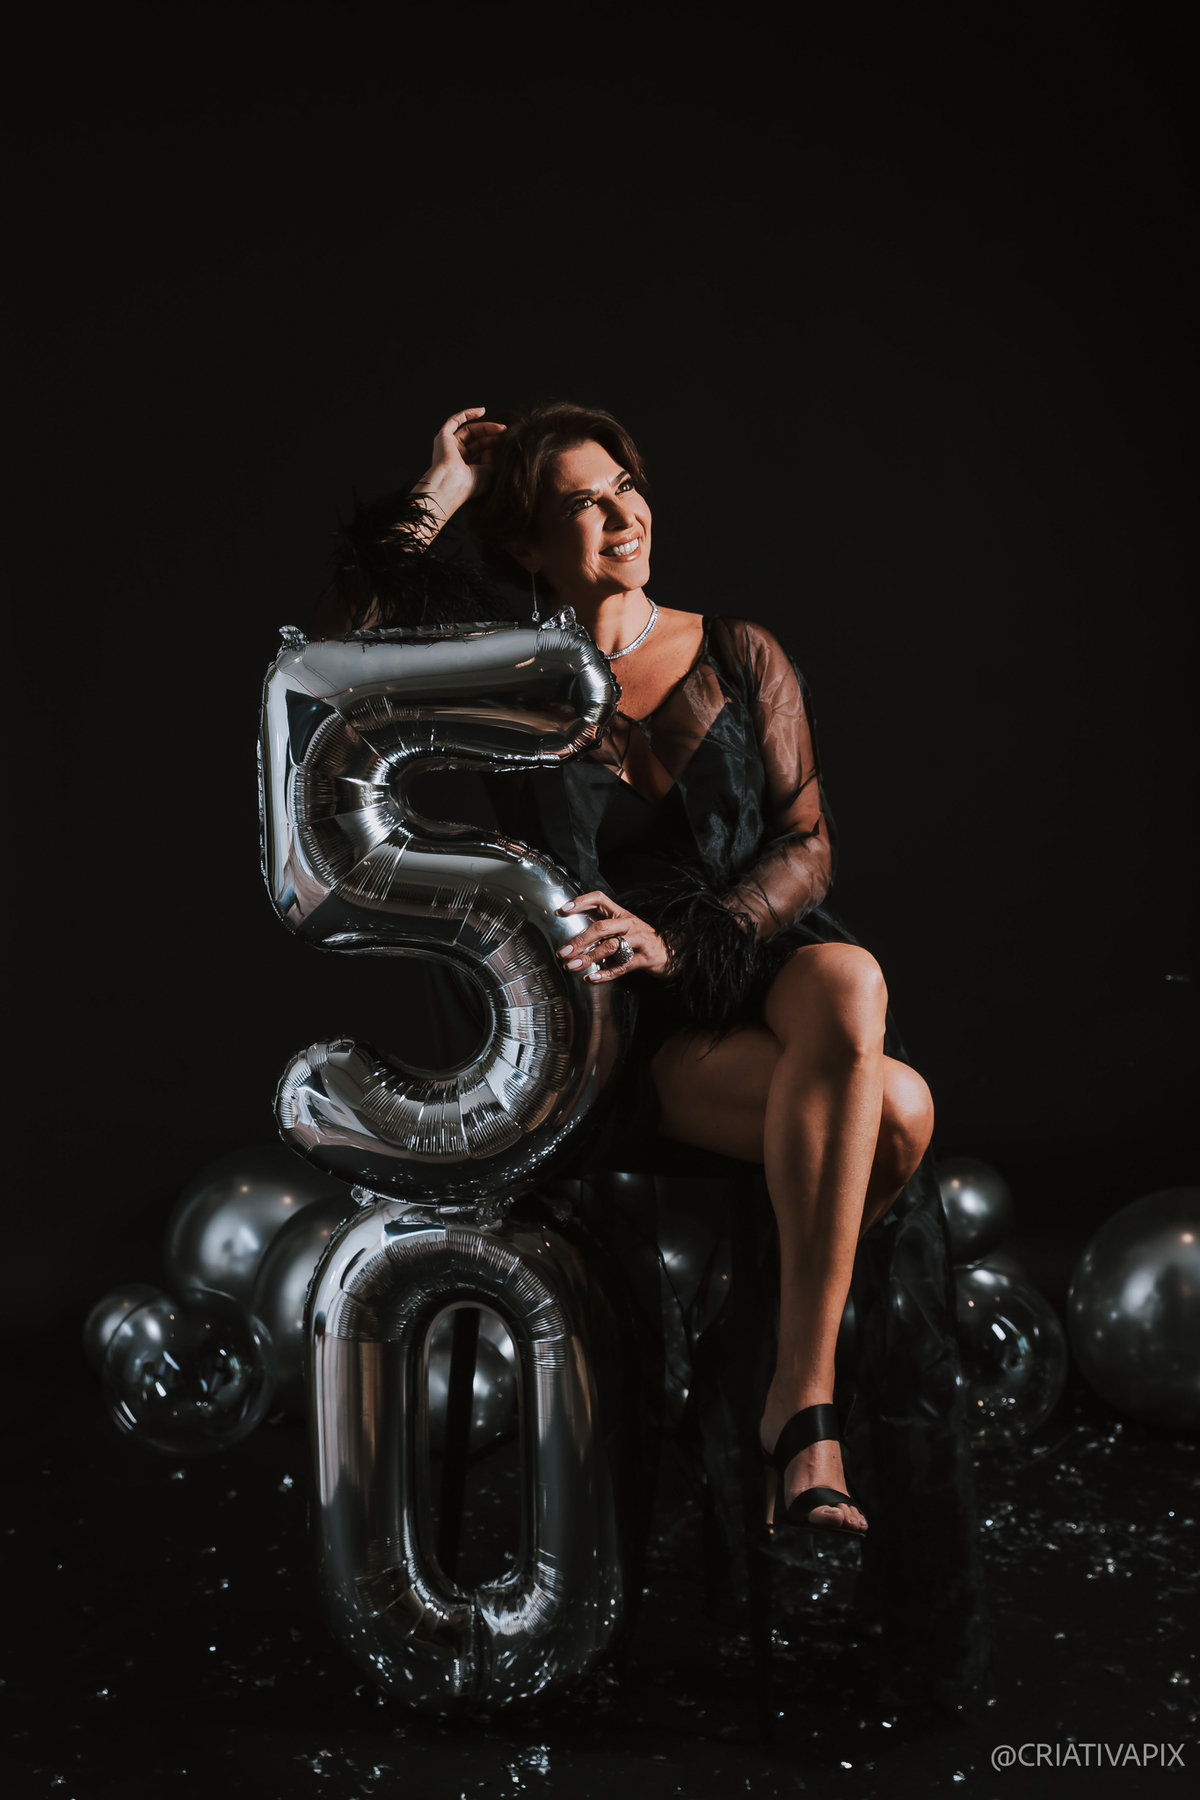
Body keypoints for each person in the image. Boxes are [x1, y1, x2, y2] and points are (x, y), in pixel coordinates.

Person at [313, 402, 938, 1543]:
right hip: (619, 1022)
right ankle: (771, 1395)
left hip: (748, 957)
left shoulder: (740, 651)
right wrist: (440, 490)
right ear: (526, 547)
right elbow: (337, 664)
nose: (621, 517)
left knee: (851, 979)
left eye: (626, 488)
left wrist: (689, 938)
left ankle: (798, 1408)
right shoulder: (509, 679)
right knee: (896, 1109)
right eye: (581, 506)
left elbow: (807, 845)